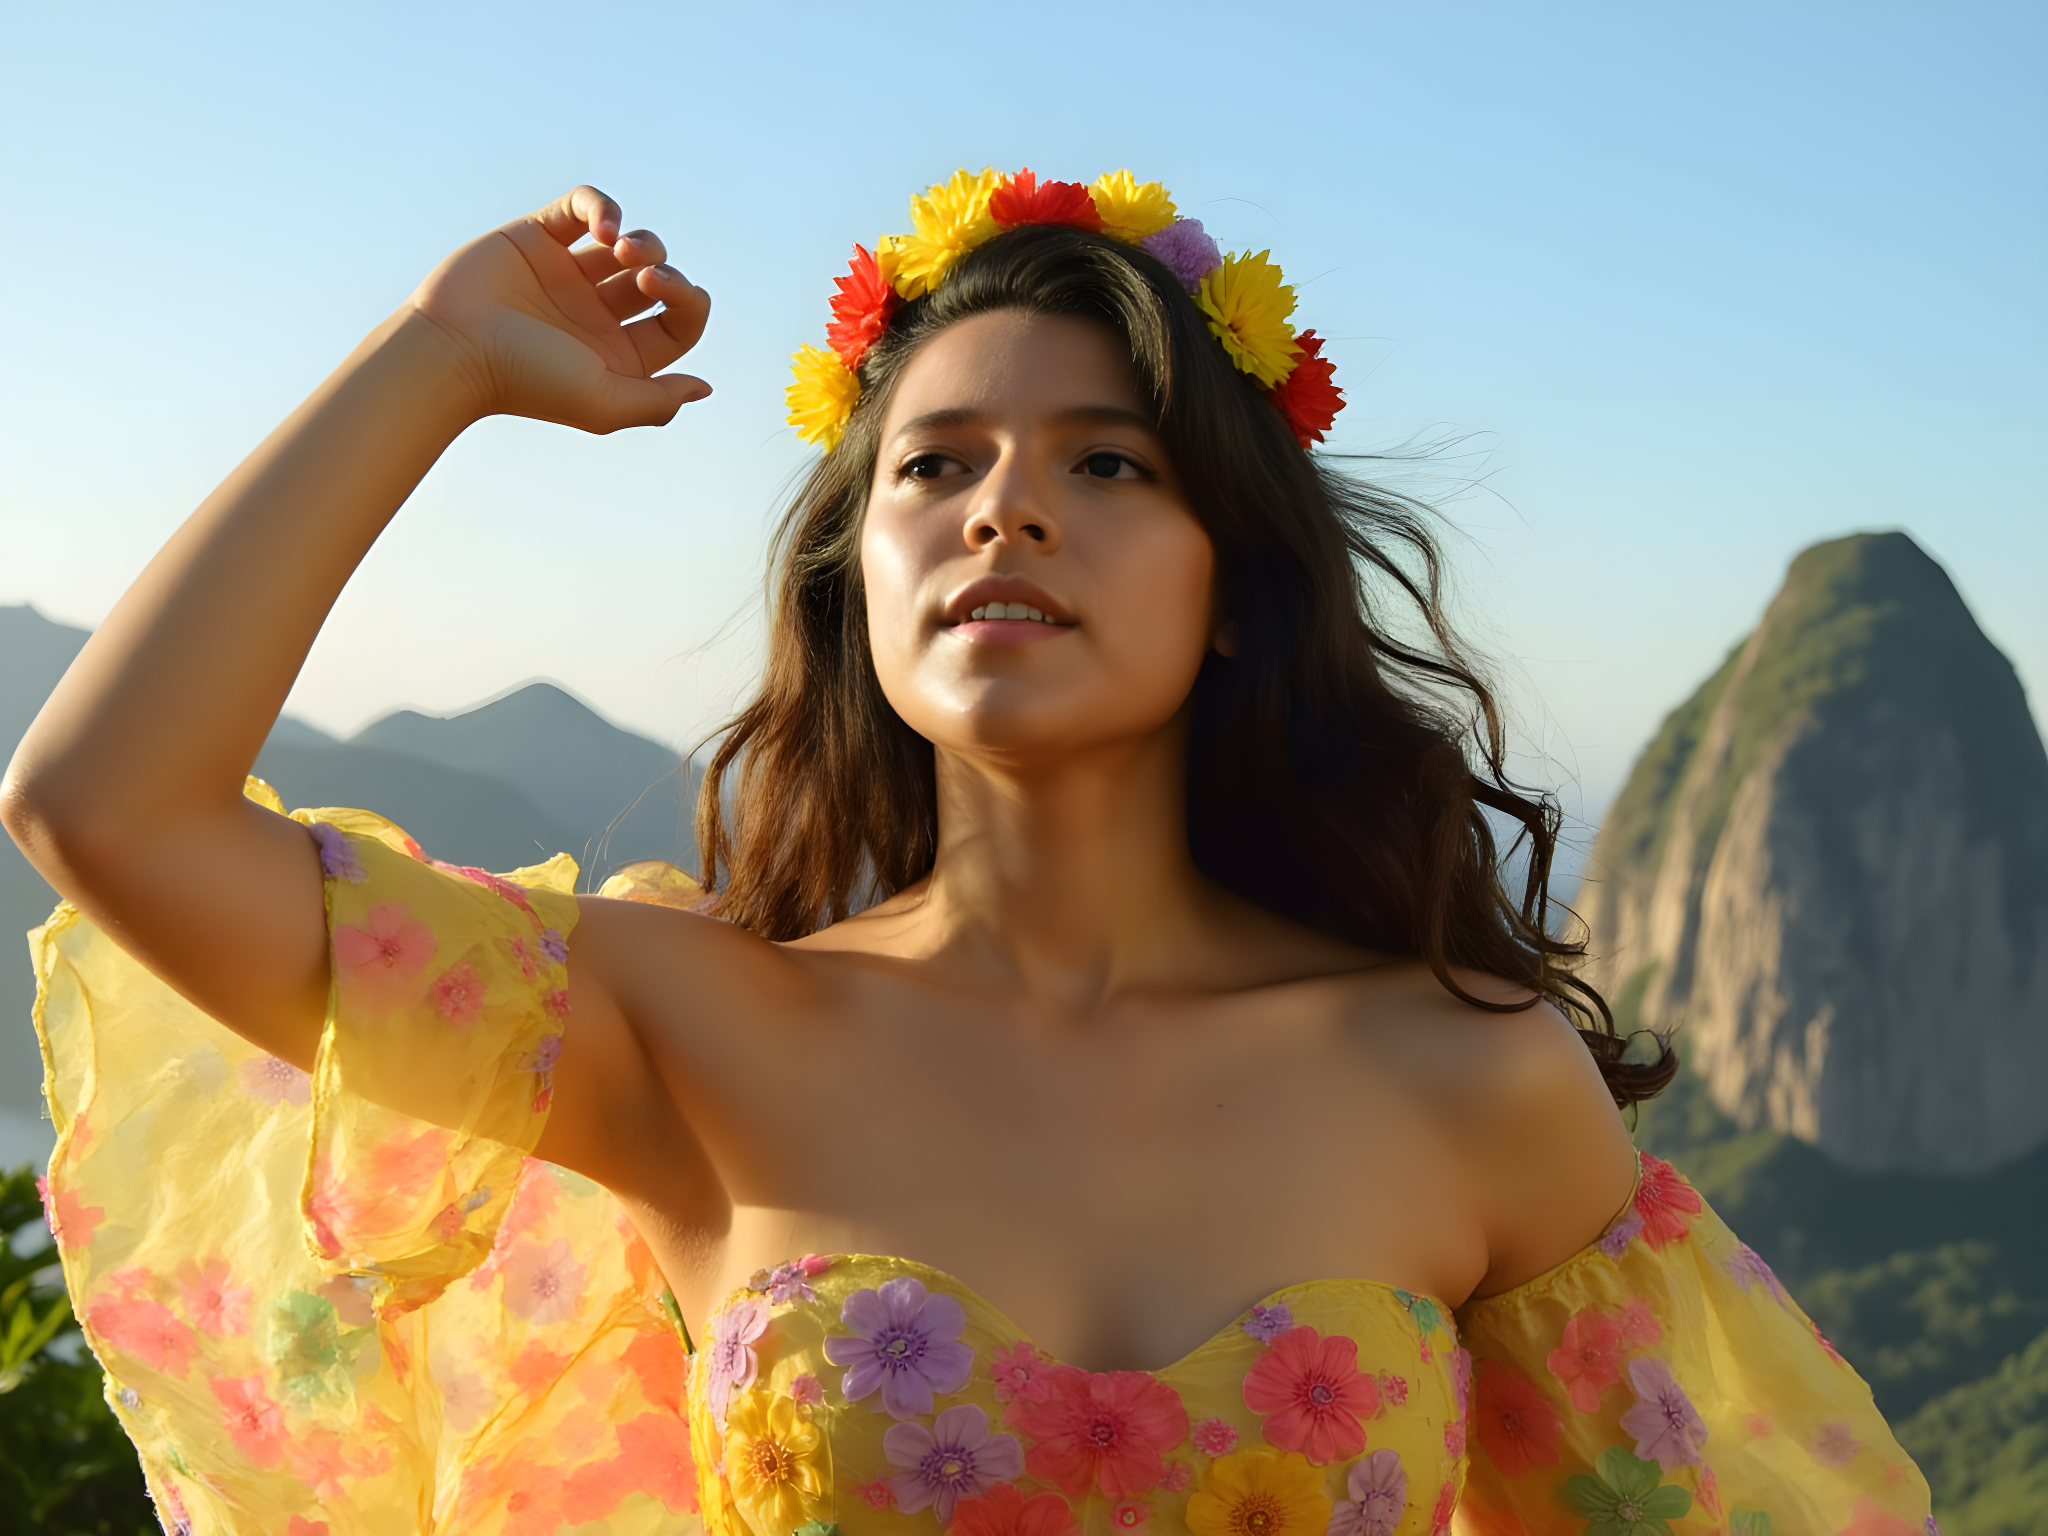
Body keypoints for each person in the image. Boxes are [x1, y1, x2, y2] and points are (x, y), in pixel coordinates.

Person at [3, 173, 1930, 1536]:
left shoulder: (1462, 1074)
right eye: (935, 465)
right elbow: (110, 812)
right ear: (865, 589)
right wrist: (434, 359)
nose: (1005, 509)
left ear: (1235, 592)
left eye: (1109, 463)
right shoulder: (686, 1029)